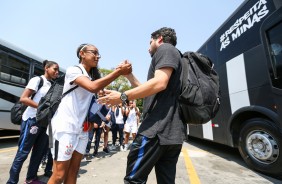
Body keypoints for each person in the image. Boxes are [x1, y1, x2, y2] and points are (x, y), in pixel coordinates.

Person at [98, 27, 186, 184]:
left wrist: (122, 96)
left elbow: (159, 83)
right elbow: (151, 91)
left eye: (150, 42)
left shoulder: (165, 49)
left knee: (133, 180)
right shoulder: (174, 57)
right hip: (172, 135)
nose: (148, 47)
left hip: (155, 132)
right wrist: (129, 76)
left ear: (159, 39)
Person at [47, 43, 131, 184]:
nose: (97, 56)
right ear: (82, 53)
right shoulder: (74, 70)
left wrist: (92, 120)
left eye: (99, 54)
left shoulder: (91, 77)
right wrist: (118, 72)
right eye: (94, 52)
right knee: (59, 175)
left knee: (73, 172)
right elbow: (92, 87)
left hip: (82, 130)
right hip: (65, 128)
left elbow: (92, 98)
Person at [7, 60, 59, 184]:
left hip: (44, 123)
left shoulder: (53, 85)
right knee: (23, 153)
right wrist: (42, 108)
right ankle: (11, 181)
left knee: (39, 152)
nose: (57, 72)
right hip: (32, 120)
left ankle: (31, 178)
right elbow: (24, 98)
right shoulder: (37, 80)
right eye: (54, 69)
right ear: (46, 68)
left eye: (58, 70)